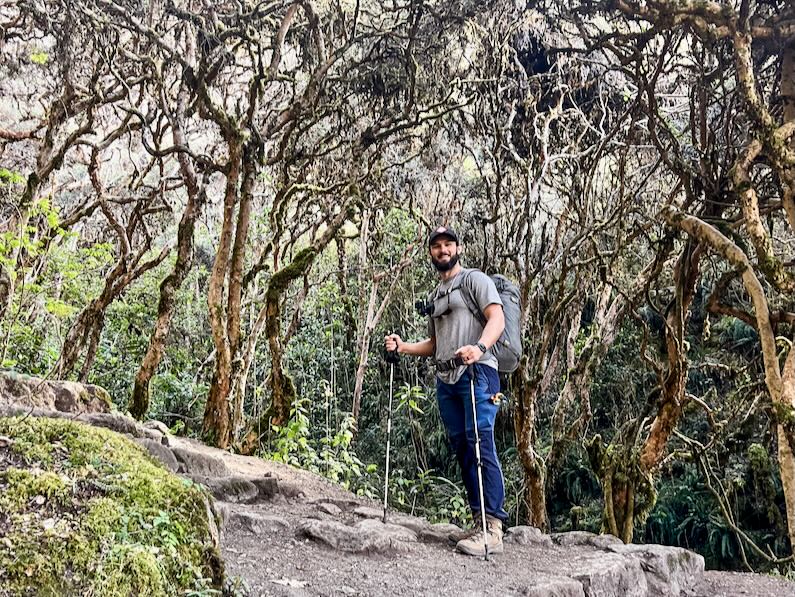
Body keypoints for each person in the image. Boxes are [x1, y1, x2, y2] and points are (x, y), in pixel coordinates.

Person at [384, 225, 507, 556]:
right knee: (464, 448)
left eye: (448, 244)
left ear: (458, 247)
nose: (443, 250)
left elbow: (497, 319)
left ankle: (492, 529)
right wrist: (403, 346)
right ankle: (478, 520)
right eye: (437, 246)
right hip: (447, 380)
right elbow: (436, 344)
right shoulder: (437, 296)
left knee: (479, 442)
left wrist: (479, 347)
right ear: (431, 252)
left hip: (478, 372)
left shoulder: (475, 281)